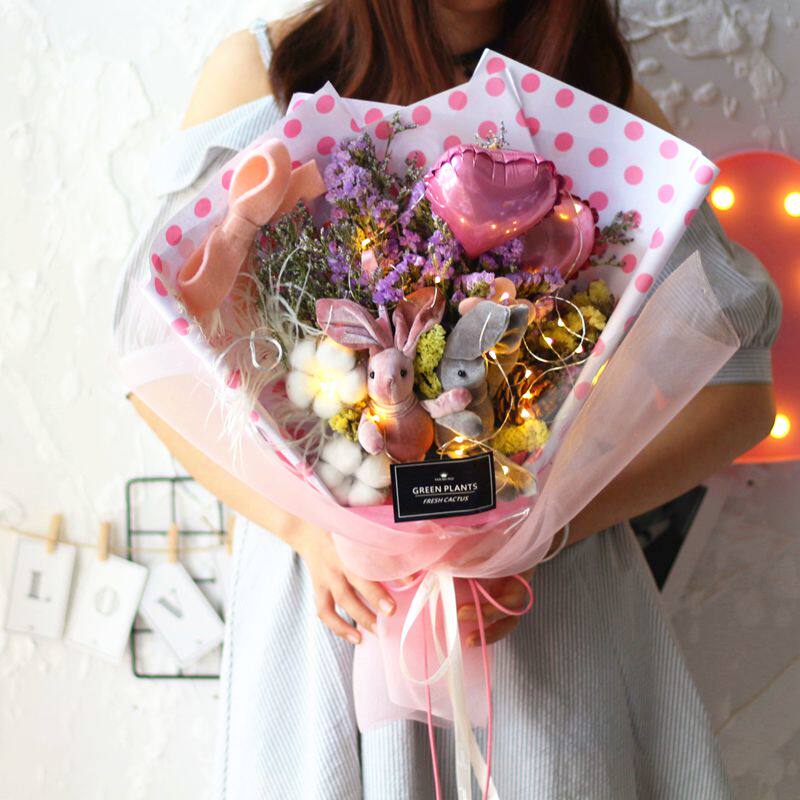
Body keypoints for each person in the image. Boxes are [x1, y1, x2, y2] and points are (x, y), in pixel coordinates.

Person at [115, 2, 781, 797]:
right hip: (337, 599)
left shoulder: (595, 88)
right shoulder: (267, 72)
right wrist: (308, 531)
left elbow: (737, 394)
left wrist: (535, 534)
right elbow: (152, 360)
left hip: (540, 606)